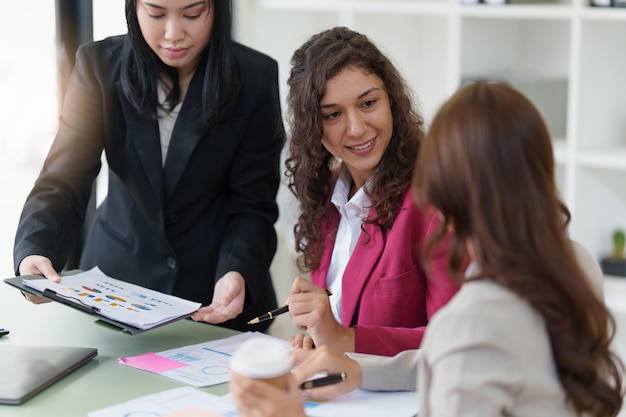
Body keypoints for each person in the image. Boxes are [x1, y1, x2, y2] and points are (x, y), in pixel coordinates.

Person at [230, 81, 625, 416]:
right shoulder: (577, 263)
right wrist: (362, 371)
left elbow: (462, 351)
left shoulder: (472, 320)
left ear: (444, 191)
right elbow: (449, 357)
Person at [12, 0, 285, 332]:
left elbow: (253, 203)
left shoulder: (255, 77)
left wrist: (237, 270)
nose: (173, 34)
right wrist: (35, 249)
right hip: (118, 285)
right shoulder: (99, 66)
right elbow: (65, 177)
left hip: (215, 293)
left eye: (192, 13)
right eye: (156, 13)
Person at [281, 26, 459, 356]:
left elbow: (454, 341)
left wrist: (343, 339)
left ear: (391, 99)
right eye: (332, 114)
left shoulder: (438, 198)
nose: (356, 128)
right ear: (313, 128)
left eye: (368, 103)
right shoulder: (327, 195)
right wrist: (319, 333)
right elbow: (339, 320)